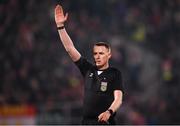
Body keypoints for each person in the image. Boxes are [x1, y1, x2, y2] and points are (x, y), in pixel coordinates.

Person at [54, 4, 124, 125]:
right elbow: (70, 49)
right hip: (86, 123)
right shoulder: (88, 70)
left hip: (105, 122)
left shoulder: (115, 73)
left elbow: (118, 99)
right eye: (95, 53)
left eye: (101, 53)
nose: (97, 56)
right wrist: (60, 26)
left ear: (109, 55)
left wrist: (109, 112)